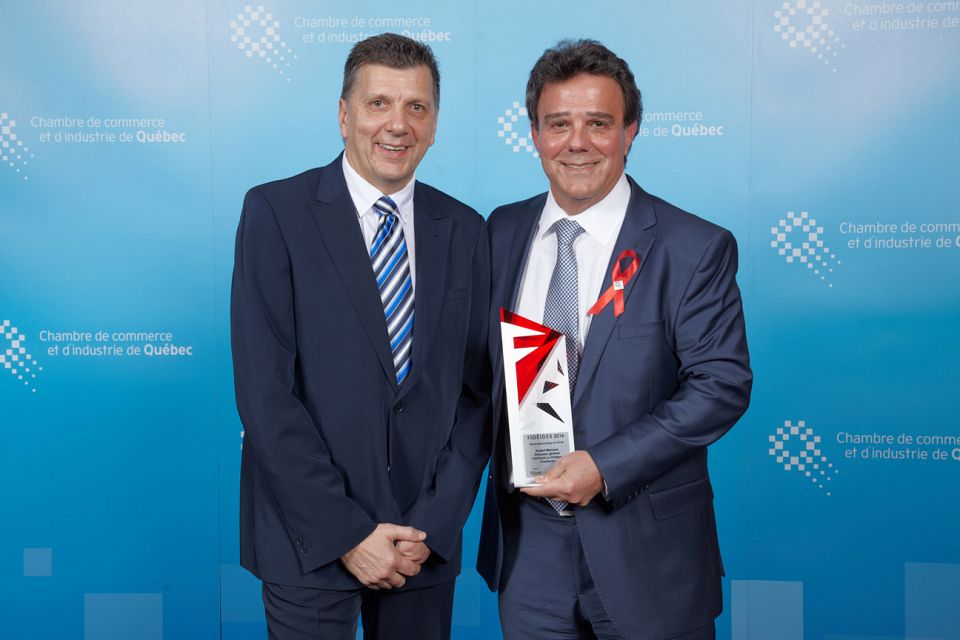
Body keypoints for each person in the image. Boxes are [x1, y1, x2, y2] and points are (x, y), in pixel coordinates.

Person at [476, 40, 752, 640]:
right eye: (559, 124)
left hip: (648, 550)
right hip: (528, 554)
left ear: (630, 131)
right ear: (534, 134)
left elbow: (721, 385)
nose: (577, 143)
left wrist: (604, 466)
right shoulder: (500, 230)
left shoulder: (692, 247)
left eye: (598, 123)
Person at [231, 33, 490, 640]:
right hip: (310, 540)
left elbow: (478, 398)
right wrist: (347, 534)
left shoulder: (465, 229)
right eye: (378, 104)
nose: (397, 125)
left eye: (416, 108)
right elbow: (265, 394)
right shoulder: (276, 213)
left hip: (419, 546)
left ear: (434, 123)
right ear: (344, 114)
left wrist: (433, 526)